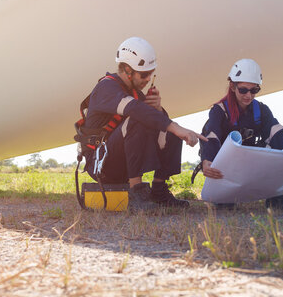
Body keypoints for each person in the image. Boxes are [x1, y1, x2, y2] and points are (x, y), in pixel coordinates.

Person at [76, 37, 207, 211]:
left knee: (164, 125)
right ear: (128, 70)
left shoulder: (134, 93)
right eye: (144, 74)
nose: (148, 79)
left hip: (121, 162)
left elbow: (156, 119)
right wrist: (175, 127)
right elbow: (136, 111)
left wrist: (159, 110)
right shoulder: (106, 88)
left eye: (151, 74)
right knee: (143, 119)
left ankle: (159, 190)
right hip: (101, 165)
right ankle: (136, 191)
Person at [199, 58, 283, 210]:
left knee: (278, 148)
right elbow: (211, 136)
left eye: (254, 90)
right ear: (232, 86)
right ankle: (223, 199)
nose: (249, 95)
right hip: (225, 164)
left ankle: (278, 198)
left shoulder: (261, 110)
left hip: (249, 163)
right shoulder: (219, 110)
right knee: (227, 206)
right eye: (243, 90)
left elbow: (278, 132)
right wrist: (207, 160)